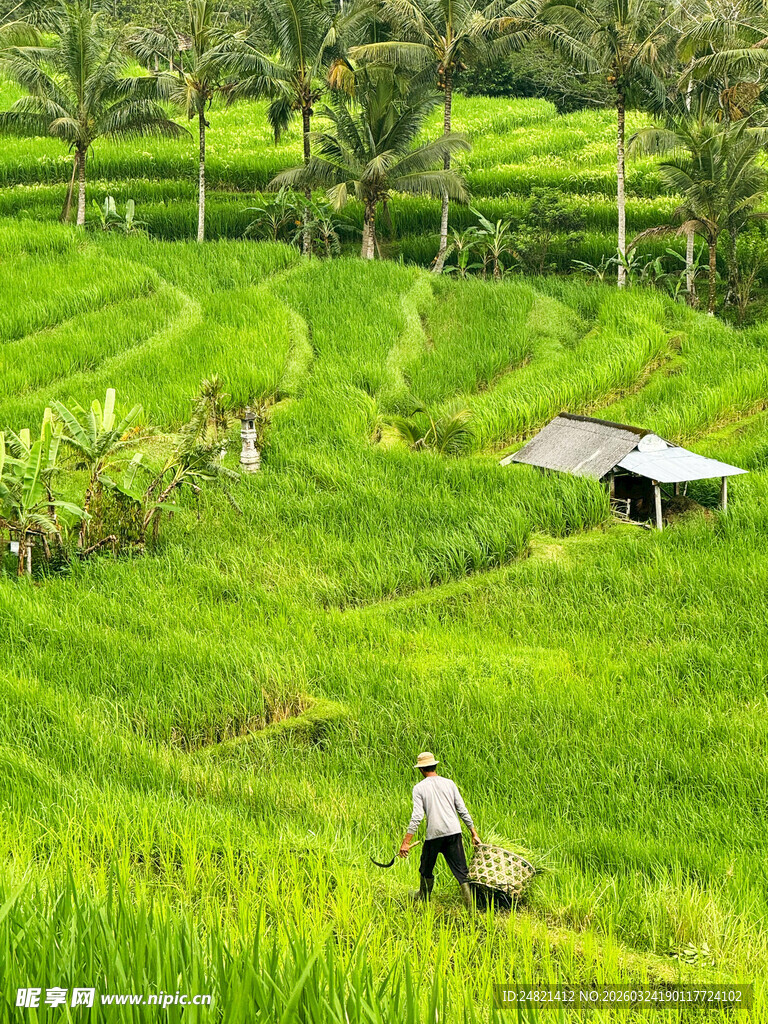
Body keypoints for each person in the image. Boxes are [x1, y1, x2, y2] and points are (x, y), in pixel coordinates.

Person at [398, 751, 480, 908]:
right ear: (434, 766)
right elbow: (462, 809)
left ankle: (423, 896)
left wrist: (405, 842)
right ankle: (471, 908)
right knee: (461, 871)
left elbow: (417, 817)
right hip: (454, 832)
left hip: (434, 834)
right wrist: (473, 832)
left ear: (421, 769)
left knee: (426, 867)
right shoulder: (449, 783)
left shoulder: (419, 788)